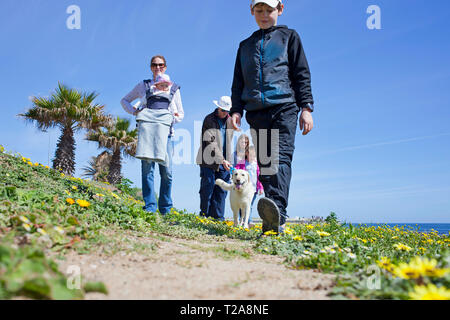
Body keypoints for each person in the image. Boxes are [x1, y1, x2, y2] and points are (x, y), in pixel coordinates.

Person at [229, 0, 314, 234]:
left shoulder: (290, 37)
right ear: (252, 11)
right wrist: (236, 110)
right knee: (265, 163)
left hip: (285, 106)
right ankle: (272, 217)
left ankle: (278, 212)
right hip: (257, 111)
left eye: (269, 10)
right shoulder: (245, 46)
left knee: (281, 157)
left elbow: (301, 74)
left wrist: (306, 107)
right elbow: (238, 83)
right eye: (259, 10)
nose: (264, 15)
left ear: (280, 9)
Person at [120, 55, 184, 215]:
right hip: (147, 134)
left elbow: (181, 114)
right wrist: (136, 111)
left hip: (167, 135)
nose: (158, 67)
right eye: (155, 65)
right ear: (150, 67)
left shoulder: (174, 88)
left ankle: (165, 208)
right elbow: (125, 100)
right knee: (147, 170)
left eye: (161, 65)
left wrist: (171, 119)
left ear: (165, 66)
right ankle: (149, 206)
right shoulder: (143, 85)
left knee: (167, 172)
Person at [196, 96, 234, 221]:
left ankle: (218, 219)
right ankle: (204, 217)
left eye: (227, 111)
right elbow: (211, 143)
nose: (225, 113)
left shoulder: (230, 120)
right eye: (223, 110)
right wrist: (222, 159)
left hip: (224, 162)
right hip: (208, 160)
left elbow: (229, 142)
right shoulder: (209, 119)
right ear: (218, 107)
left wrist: (227, 160)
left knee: (222, 190)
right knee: (208, 188)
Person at [234, 145, 264, 225]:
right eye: (250, 154)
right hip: (243, 189)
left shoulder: (257, 165)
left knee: (249, 205)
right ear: (246, 153)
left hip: (254, 189)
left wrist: (261, 188)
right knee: (242, 205)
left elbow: (259, 177)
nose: (252, 156)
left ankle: (248, 221)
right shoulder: (242, 163)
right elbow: (236, 171)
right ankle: (242, 220)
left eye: (254, 155)